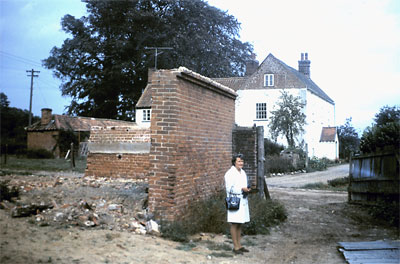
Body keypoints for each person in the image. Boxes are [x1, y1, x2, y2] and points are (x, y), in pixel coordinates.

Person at [224, 153, 251, 254]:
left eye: (242, 161)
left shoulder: (243, 172)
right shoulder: (230, 173)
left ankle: (239, 245)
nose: (241, 163)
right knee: (234, 223)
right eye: (239, 161)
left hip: (243, 200)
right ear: (234, 162)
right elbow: (229, 189)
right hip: (234, 201)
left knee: (240, 223)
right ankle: (235, 247)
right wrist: (241, 189)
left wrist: (247, 188)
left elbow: (243, 184)